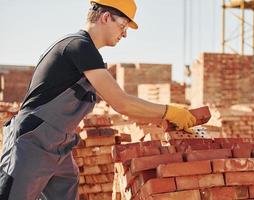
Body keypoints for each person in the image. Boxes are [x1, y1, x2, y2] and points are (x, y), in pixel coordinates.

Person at [0, 0, 196, 199]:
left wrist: (162, 119)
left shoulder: (90, 56)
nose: (125, 34)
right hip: (32, 141)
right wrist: (169, 111)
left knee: (67, 186)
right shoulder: (78, 46)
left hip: (59, 146)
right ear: (106, 17)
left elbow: (122, 102)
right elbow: (121, 102)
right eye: (123, 26)